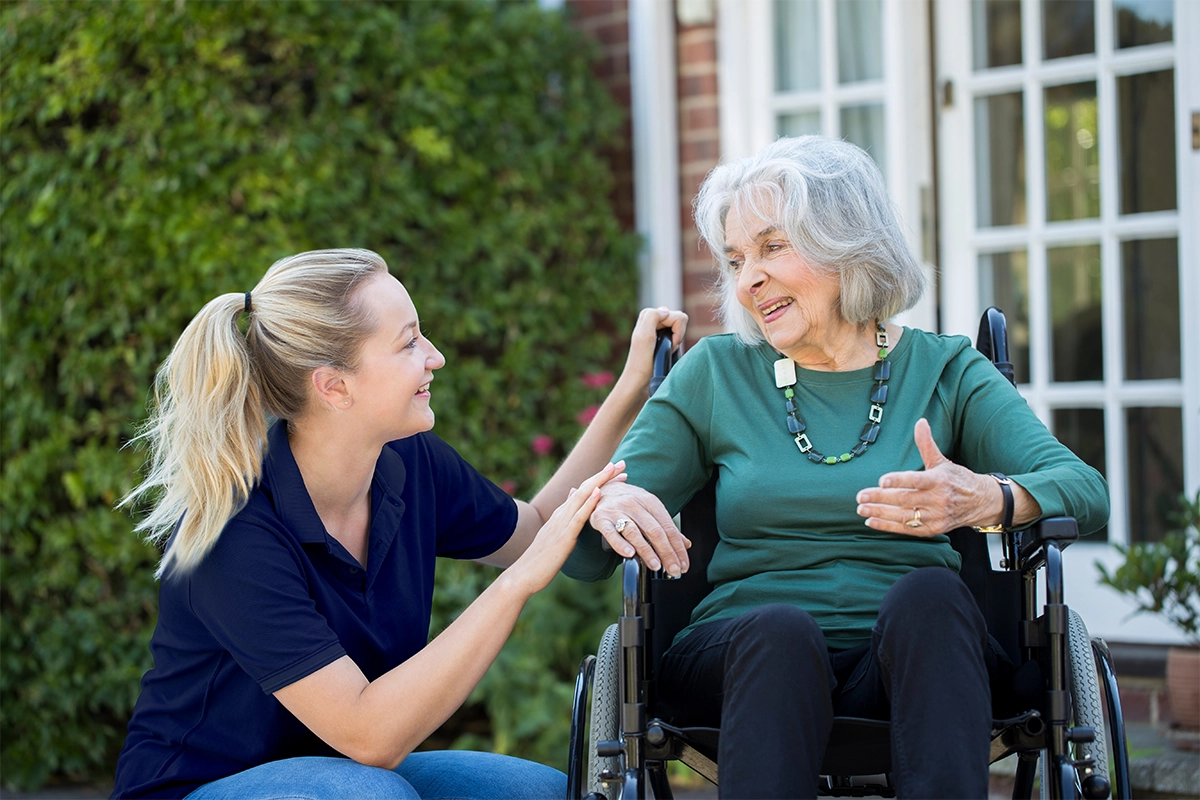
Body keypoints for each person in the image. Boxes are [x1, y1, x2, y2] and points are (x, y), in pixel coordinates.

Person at [562, 135, 1109, 799]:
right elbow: (584, 558)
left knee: (934, 600)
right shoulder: (716, 374)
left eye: (772, 246)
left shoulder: (945, 368)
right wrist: (609, 507)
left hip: (912, 662)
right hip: (745, 658)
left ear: (847, 242)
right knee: (780, 629)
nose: (747, 280)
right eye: (736, 259)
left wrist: (990, 499)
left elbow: (1085, 492)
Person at [110, 248, 686, 800]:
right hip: (203, 787)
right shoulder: (233, 531)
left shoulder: (408, 462)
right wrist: (517, 584)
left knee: (538, 793)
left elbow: (535, 528)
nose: (434, 356)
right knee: (369, 793)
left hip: (341, 773)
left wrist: (632, 387)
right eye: (409, 341)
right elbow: (371, 737)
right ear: (335, 386)